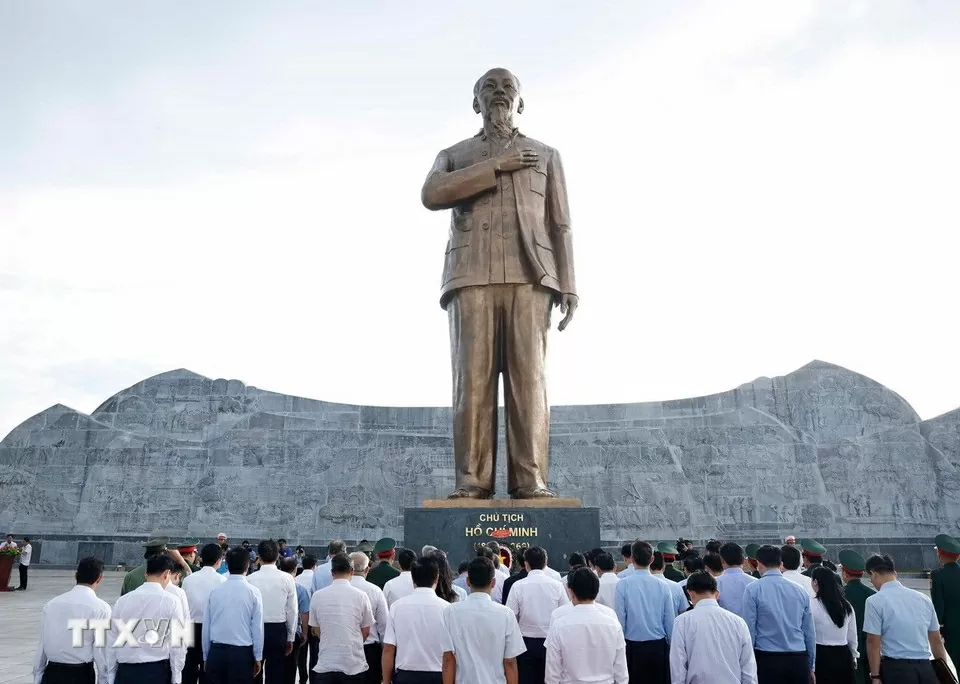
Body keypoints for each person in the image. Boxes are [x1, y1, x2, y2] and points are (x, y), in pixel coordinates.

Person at [421, 67, 578, 501]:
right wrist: (496, 166)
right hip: (471, 276)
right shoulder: (455, 153)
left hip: (531, 276)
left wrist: (569, 283)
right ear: (476, 102)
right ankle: (472, 481)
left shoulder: (546, 154)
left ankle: (531, 481)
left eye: (508, 87)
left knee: (531, 381)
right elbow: (432, 193)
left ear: (521, 101)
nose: (499, 94)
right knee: (472, 381)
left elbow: (560, 223)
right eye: (488, 87)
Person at [863, 553, 947, 684]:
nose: (872, 582)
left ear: (874, 573)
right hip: (926, 669)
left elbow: (873, 641)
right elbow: (936, 640)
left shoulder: (875, 601)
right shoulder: (923, 599)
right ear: (894, 572)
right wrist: (944, 672)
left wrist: (875, 676)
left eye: (871, 578)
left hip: (897, 670)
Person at [441, 557, 526, 684]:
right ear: (493, 582)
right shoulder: (506, 614)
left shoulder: (450, 612)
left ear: (468, 581)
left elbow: (448, 659)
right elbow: (509, 661)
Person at [108, 554, 187, 684]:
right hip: (156, 670)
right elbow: (178, 643)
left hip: (126, 670)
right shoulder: (172, 601)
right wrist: (176, 676)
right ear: (167, 574)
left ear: (146, 573)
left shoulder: (122, 601)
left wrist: (111, 675)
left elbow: (111, 640)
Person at [741, 545, 814, 684]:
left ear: (759, 564)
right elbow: (809, 631)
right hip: (798, 658)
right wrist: (811, 666)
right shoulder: (800, 591)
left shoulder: (753, 589)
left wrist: (748, 663)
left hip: (768, 658)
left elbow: (750, 630)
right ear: (781, 564)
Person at [33, 557, 111, 684]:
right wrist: (104, 678)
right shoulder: (100, 608)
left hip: (52, 671)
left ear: (76, 575)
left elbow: (43, 644)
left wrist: (38, 677)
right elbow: (101, 650)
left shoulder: (51, 604)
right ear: (99, 578)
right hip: (80, 673)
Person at [669, 571, 756, 684]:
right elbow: (748, 668)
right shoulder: (738, 622)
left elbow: (678, 668)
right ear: (717, 593)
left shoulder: (682, 622)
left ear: (690, 593)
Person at [544, 567, 628, 684]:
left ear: (571, 591)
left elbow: (552, 675)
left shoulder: (559, 625)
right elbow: (621, 672)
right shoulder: (613, 623)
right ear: (597, 590)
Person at [614, 540, 676, 684]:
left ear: (632, 559)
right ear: (652, 559)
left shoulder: (623, 585)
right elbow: (669, 621)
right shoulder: (663, 585)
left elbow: (620, 620)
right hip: (658, 647)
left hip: (632, 647)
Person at [505, 547, 569, 684]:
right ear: (546, 563)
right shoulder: (557, 586)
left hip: (525, 644)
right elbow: (565, 614)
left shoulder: (518, 586)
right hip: (551, 643)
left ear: (526, 564)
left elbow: (510, 618)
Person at [382, 555, 449, 684]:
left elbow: (389, 648)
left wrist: (385, 681)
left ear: (413, 579)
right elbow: (450, 654)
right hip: (438, 675)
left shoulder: (397, 607)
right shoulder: (447, 609)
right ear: (437, 578)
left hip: (405, 676)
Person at [203, 546, 265, 684]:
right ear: (248, 565)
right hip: (242, 654)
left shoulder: (215, 591)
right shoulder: (253, 592)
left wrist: (206, 656)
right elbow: (257, 628)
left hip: (217, 652)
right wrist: (258, 656)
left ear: (226, 564)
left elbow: (206, 626)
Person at [309, 553, 374, 684]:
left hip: (326, 662)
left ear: (332, 573)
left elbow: (316, 630)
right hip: (353, 664)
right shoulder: (361, 596)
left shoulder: (317, 596)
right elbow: (366, 631)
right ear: (352, 571)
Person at [247, 540, 298, 684]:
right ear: (278, 556)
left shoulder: (249, 579)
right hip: (278, 630)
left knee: (254, 672)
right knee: (276, 674)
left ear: (259, 557)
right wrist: (290, 637)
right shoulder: (287, 578)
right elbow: (292, 611)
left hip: (255, 629)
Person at [182, 543, 227, 684]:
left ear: (201, 559)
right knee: (208, 670)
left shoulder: (188, 580)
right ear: (219, 560)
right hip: (212, 630)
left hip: (189, 628)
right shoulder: (222, 581)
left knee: (188, 670)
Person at [809, 566, 857, 684]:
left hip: (821, 655)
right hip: (843, 655)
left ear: (815, 582)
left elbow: (808, 634)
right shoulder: (846, 606)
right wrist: (854, 655)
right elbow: (852, 636)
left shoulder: (811, 604)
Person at [347, 552, 389, 684]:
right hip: (369, 650)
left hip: (344, 649)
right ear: (367, 569)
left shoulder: (334, 590)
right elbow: (383, 625)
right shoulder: (375, 590)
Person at [837, 550, 875, 684]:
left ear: (845, 573)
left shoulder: (840, 595)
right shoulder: (873, 594)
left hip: (848, 648)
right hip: (871, 647)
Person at [931, 533, 960, 673]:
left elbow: (938, 606)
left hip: (953, 631)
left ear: (940, 554)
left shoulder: (938, 575)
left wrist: (939, 628)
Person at [280, 558, 311, 684]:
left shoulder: (277, 586)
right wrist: (304, 633)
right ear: (295, 570)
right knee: (292, 666)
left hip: (276, 630)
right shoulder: (300, 589)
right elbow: (304, 613)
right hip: (294, 631)